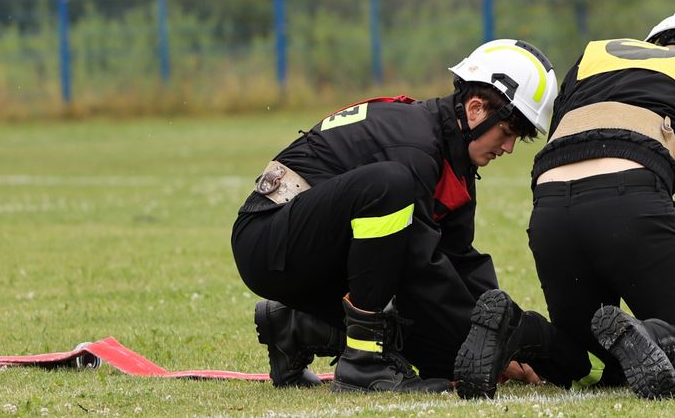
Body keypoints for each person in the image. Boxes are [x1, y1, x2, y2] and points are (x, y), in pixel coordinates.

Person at [452, 10, 675, 400]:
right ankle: (654, 334)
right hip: (631, 200)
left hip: (550, 206)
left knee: (591, 359)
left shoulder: (591, 63)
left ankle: (515, 329)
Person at [232, 40, 558, 393]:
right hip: (267, 241)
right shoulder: (415, 146)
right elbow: (422, 268)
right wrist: (481, 341)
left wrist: (496, 335)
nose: (508, 148)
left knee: (447, 356)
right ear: (476, 108)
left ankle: (296, 325)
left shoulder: (450, 153)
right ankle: (363, 363)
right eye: (507, 132)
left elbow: (459, 260)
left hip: (305, 249)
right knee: (390, 185)